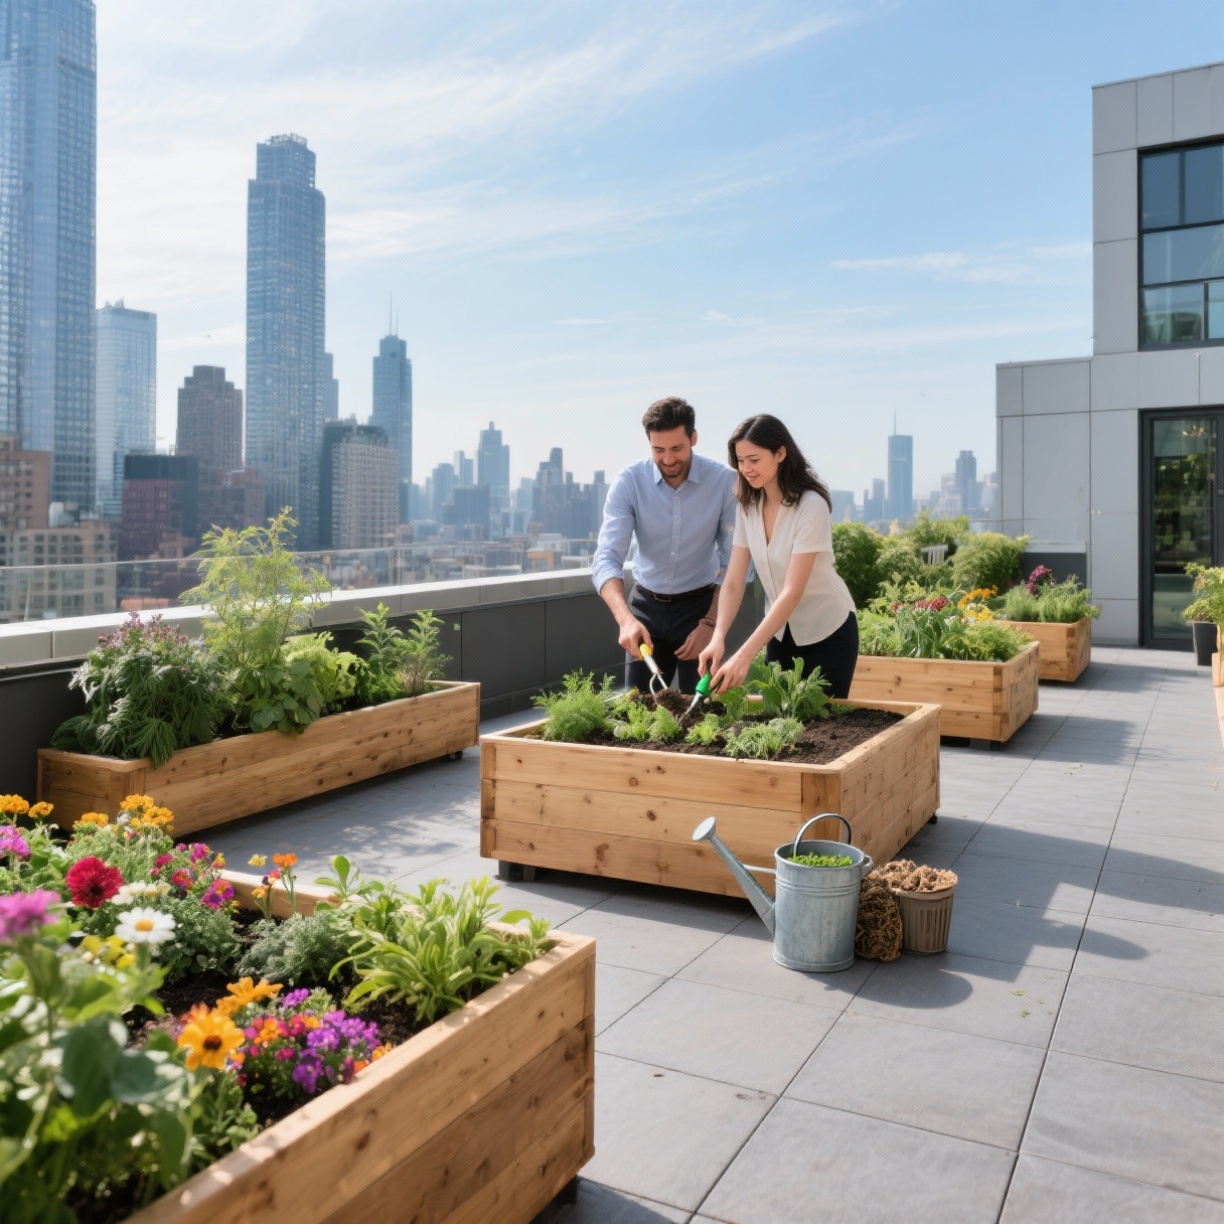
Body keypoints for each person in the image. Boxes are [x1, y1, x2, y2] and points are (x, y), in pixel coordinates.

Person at [698, 414, 858, 698]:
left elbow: (792, 592)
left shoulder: (811, 506)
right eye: (740, 461)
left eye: (755, 460)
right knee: (780, 728)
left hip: (828, 633)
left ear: (780, 453)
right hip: (781, 634)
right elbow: (734, 581)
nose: (746, 468)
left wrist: (745, 655)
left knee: (823, 732)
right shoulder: (747, 505)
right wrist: (718, 637)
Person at [592, 396, 738, 692]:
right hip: (645, 608)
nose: (668, 460)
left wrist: (710, 624)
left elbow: (733, 563)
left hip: (701, 607)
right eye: (659, 450)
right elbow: (606, 558)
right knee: (638, 715)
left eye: (677, 449)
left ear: (693, 438)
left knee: (700, 716)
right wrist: (625, 620)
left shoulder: (724, 482)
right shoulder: (629, 483)